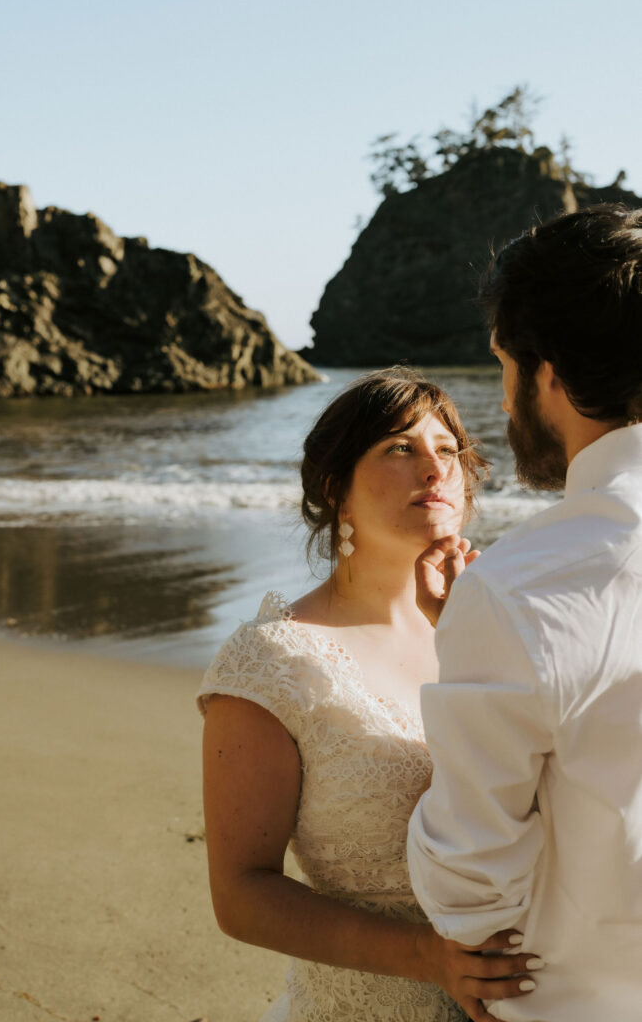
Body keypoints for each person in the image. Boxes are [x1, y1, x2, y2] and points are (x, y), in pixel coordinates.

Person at [198, 368, 542, 1022]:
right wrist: (427, 957)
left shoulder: (500, 632)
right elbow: (241, 894)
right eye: (398, 449)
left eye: (448, 451)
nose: (435, 469)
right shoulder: (269, 660)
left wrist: (469, 642)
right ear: (336, 491)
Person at [407, 204, 642, 1022]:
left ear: (545, 373)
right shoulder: (515, 594)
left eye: (504, 365)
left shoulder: (522, 588)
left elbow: (467, 887)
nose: (503, 404)